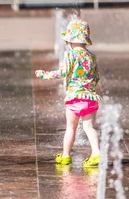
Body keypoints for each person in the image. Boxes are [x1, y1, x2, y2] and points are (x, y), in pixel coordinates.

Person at [35, 19, 101, 167]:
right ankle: (96, 153)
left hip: (74, 99)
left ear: (70, 41)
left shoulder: (70, 55)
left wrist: (44, 75)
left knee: (71, 128)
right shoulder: (92, 57)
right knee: (89, 128)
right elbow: (96, 77)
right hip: (90, 98)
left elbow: (63, 73)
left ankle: (65, 156)